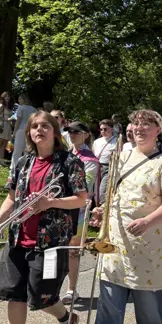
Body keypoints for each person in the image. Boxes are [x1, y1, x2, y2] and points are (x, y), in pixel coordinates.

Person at [80, 109, 162, 324]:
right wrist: (101, 211)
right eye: (136, 123)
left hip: (150, 245)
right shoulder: (120, 157)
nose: (140, 128)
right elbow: (112, 194)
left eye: (147, 124)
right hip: (115, 244)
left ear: (158, 131)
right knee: (109, 309)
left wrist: (148, 220)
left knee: (151, 308)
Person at [0, 112, 88, 324]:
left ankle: (67, 319)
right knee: (14, 294)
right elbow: (12, 197)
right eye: (34, 126)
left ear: (55, 132)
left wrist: (50, 202)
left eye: (45, 126)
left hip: (50, 242)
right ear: (29, 133)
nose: (39, 130)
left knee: (42, 298)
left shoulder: (69, 162)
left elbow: (81, 199)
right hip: (18, 237)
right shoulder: (23, 162)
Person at [61, 121, 100, 305]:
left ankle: (71, 289)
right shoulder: (64, 153)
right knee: (57, 249)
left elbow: (86, 185)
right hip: (60, 206)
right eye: (70, 131)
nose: (72, 134)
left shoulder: (90, 159)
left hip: (79, 210)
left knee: (73, 251)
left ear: (85, 134)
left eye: (76, 131)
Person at [93, 119, 118, 203]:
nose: (103, 131)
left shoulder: (117, 141)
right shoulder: (96, 142)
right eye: (101, 129)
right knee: (94, 192)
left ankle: (103, 210)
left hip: (108, 168)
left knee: (102, 192)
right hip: (96, 167)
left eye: (105, 129)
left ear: (111, 129)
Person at [10, 93, 37, 170]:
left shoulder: (21, 108)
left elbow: (18, 121)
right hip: (30, 130)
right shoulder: (34, 109)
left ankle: (14, 166)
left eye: (20, 99)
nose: (18, 100)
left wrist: (14, 132)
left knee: (17, 149)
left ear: (24, 99)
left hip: (21, 129)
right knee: (27, 149)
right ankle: (25, 166)